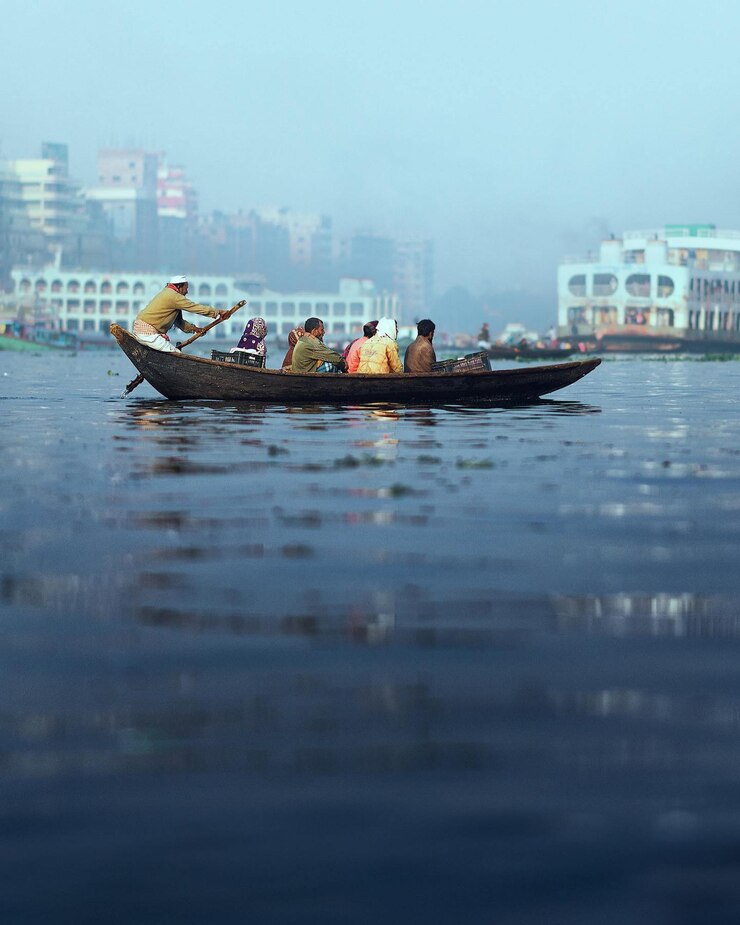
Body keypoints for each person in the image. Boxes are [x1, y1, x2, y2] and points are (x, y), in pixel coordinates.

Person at [132, 275, 228, 353]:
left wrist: (195, 329)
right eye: (186, 288)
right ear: (179, 287)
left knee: (174, 353)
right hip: (147, 332)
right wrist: (218, 312)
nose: (187, 291)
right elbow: (195, 307)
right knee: (176, 355)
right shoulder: (173, 296)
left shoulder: (170, 294)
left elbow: (178, 322)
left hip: (143, 331)